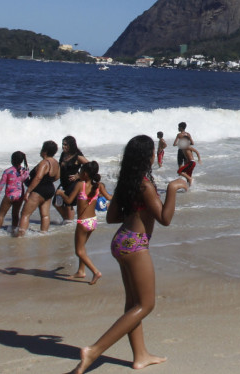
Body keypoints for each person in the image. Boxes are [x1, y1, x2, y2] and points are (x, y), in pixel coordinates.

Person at [67, 135, 188, 374]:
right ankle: (94, 350)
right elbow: (165, 218)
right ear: (147, 157)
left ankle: (140, 356)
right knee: (146, 304)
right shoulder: (145, 185)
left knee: (133, 303)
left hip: (120, 241)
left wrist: (136, 213)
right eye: (152, 152)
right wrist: (172, 188)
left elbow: (112, 217)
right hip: (135, 244)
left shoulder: (127, 182)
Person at [64, 161, 110, 284]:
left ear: (85, 173)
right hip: (93, 221)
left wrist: (60, 194)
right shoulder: (98, 186)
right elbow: (109, 197)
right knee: (82, 247)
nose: (78, 173)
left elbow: (68, 200)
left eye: (80, 171)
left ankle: (95, 272)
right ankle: (81, 271)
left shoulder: (80, 185)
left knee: (78, 251)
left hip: (83, 222)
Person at [17, 141, 60, 236]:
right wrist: (47, 181)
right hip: (50, 189)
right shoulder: (56, 163)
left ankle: (20, 236)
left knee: (25, 214)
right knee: (45, 215)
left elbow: (38, 178)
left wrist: (28, 191)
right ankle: (43, 234)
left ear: (45, 151)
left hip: (39, 190)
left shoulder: (44, 163)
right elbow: (57, 176)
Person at [56, 136, 89, 222]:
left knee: (68, 204)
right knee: (56, 203)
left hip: (73, 183)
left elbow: (89, 166)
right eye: (63, 144)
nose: (63, 146)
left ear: (71, 145)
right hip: (63, 182)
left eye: (65, 145)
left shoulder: (77, 156)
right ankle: (66, 220)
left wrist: (79, 176)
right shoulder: (63, 154)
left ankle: (69, 223)